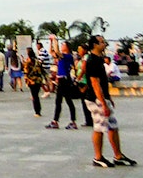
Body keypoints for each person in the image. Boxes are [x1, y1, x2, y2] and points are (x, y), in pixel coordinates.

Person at [82, 35, 137, 168]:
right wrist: (102, 102)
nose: (105, 44)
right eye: (102, 42)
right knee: (99, 127)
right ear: (95, 45)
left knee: (112, 126)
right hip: (95, 99)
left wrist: (108, 98)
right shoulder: (92, 60)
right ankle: (98, 157)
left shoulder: (99, 59)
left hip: (102, 98)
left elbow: (102, 82)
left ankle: (118, 155)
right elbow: (95, 83)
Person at [46, 46, 78, 130]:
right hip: (61, 80)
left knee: (68, 101)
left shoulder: (68, 56)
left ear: (67, 47)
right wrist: (51, 42)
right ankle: (55, 121)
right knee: (58, 101)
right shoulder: (62, 56)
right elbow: (52, 52)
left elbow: (56, 51)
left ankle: (72, 122)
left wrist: (54, 39)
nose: (62, 46)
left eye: (63, 45)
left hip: (65, 80)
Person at [23, 47, 46, 117]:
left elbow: (26, 72)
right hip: (38, 80)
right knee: (36, 95)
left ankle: (37, 111)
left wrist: (26, 80)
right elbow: (41, 70)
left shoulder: (28, 62)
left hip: (31, 81)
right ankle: (38, 110)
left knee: (34, 96)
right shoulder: (37, 61)